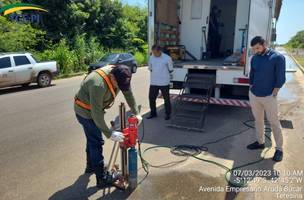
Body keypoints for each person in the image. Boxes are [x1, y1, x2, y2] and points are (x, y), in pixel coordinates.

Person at [74, 64, 142, 188]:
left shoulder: (121, 75)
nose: (121, 88)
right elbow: (96, 114)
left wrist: (136, 113)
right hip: (85, 112)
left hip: (95, 110)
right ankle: (102, 178)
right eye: (119, 85)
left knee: (91, 138)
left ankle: (91, 166)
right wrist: (109, 134)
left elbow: (128, 94)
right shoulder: (97, 85)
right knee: (96, 142)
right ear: (112, 77)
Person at [247, 36, 286, 162]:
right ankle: (260, 142)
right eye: (254, 49)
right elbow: (252, 74)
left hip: (269, 96)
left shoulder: (277, 57)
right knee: (258, 120)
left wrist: (274, 92)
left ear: (264, 44)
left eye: (258, 48)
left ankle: (279, 149)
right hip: (254, 95)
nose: (256, 51)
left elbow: (281, 78)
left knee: (274, 122)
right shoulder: (254, 58)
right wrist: (251, 86)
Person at [147, 44, 174, 120]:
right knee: (151, 98)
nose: (154, 54)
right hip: (154, 82)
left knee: (166, 99)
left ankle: (168, 114)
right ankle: (153, 113)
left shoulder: (167, 58)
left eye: (155, 53)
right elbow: (150, 68)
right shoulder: (151, 58)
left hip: (164, 82)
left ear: (160, 51)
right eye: (153, 52)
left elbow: (171, 69)